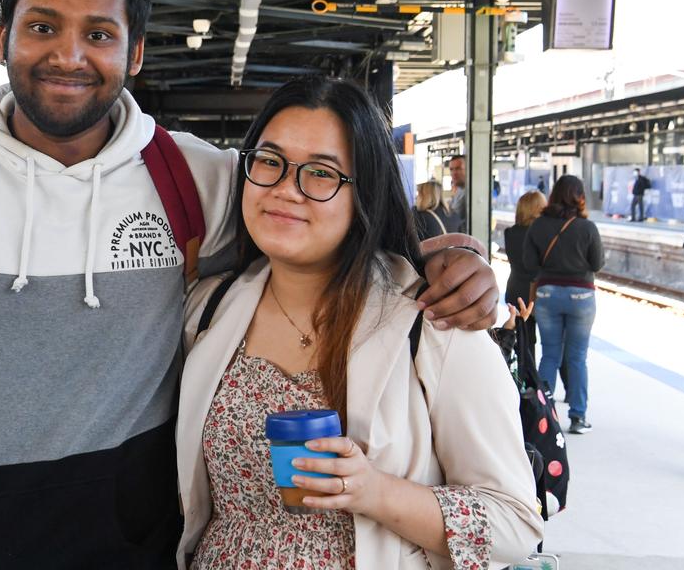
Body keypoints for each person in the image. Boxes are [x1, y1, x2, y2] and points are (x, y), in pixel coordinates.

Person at [0, 0, 501, 569]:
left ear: (134, 52)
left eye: (100, 34)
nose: (69, 55)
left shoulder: (198, 181)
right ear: (2, 37)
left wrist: (443, 256)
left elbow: (325, 215)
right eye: (42, 26)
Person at [176, 78, 541, 569]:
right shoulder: (208, 309)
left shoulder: (433, 323)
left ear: (365, 194)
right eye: (269, 161)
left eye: (322, 173)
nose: (286, 189)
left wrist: (374, 492)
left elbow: (515, 522)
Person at [523, 175, 604, 434]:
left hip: (547, 295)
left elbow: (529, 264)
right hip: (581, 296)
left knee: (550, 355)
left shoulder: (538, 226)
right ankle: (578, 417)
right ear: (580, 197)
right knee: (577, 358)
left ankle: (541, 415)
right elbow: (597, 264)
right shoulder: (587, 228)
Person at [504, 190, 546, 361]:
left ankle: (524, 378)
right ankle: (534, 382)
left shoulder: (510, 233)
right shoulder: (542, 234)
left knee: (523, 340)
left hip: (515, 288)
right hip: (536, 291)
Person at [447, 154, 467, 221]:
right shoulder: (459, 189)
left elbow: (451, 218)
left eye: (458, 169)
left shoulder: (469, 193)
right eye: (451, 169)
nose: (454, 173)